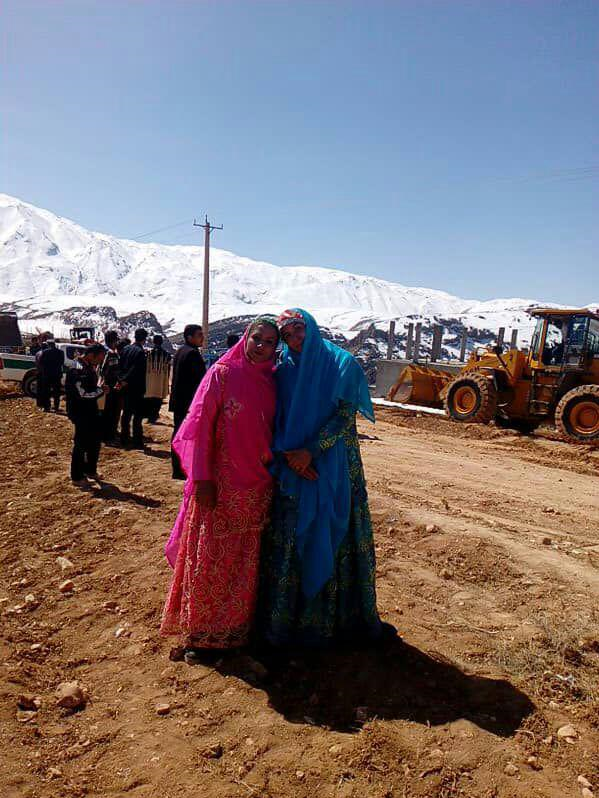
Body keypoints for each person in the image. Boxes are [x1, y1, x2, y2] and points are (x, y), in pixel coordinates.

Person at [257, 308, 388, 649]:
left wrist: (311, 451)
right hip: (292, 466)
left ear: (311, 327)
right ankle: (285, 623)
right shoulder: (284, 368)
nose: (294, 339)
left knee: (333, 530)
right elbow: (275, 414)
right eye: (286, 335)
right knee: (292, 536)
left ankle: (336, 623)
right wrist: (290, 455)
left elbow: (345, 416)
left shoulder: (340, 364)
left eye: (298, 330)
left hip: (332, 465)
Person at [161, 318, 280, 652]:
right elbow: (199, 428)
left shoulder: (272, 382)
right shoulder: (222, 375)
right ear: (246, 338)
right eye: (257, 338)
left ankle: (233, 631)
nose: (261, 346)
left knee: (243, 563)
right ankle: (200, 634)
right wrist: (201, 478)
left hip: (256, 487)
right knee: (209, 561)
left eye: (270, 342)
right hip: (220, 486)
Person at [65, 343, 108, 485]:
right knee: (81, 443)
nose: (101, 361)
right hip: (80, 411)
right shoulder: (77, 369)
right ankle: (77, 476)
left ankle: (90, 470)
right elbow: (81, 394)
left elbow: (90, 387)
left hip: (91, 410)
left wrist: (99, 389)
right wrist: (100, 391)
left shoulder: (89, 367)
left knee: (94, 442)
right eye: (100, 357)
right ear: (91, 355)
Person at [169, 324, 206, 479]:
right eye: (199, 335)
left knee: (178, 432)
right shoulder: (192, 354)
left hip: (179, 400)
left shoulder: (181, 351)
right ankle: (180, 469)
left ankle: (177, 468)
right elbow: (200, 381)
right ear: (189, 337)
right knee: (184, 435)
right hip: (188, 402)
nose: (202, 337)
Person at [119, 328, 148, 449]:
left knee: (126, 413)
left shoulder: (125, 349)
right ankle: (137, 441)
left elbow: (120, 366)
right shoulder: (140, 352)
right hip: (136, 387)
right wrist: (127, 379)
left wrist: (121, 380)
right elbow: (136, 370)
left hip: (125, 387)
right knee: (137, 416)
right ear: (144, 339)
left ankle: (124, 439)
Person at [100, 331, 122, 445]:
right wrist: (118, 382)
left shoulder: (102, 351)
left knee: (105, 412)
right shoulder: (111, 354)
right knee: (112, 413)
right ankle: (109, 437)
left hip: (104, 387)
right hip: (111, 388)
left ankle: (107, 434)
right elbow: (109, 372)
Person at [145, 335, 171, 423]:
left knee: (149, 398)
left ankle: (149, 416)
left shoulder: (148, 353)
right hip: (161, 379)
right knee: (158, 399)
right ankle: (154, 416)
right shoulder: (166, 355)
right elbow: (168, 367)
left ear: (153, 342)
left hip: (149, 379)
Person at [37, 339, 65, 412]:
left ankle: (47, 407)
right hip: (57, 375)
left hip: (47, 375)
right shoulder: (60, 352)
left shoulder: (45, 352)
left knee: (46, 391)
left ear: (48, 345)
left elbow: (41, 362)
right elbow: (62, 362)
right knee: (57, 392)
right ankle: (56, 407)